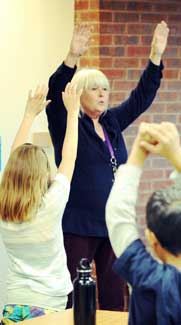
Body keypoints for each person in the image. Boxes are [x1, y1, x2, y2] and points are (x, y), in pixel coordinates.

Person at [45, 21, 169, 310]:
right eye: (94, 89)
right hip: (78, 225)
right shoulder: (68, 124)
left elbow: (140, 99)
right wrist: (72, 57)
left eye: (105, 89)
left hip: (111, 223)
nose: (103, 94)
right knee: (76, 293)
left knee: (115, 294)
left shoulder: (111, 122)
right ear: (78, 93)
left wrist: (155, 57)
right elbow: (54, 92)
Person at [105, 122, 181, 325]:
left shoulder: (148, 277)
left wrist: (138, 154)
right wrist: (176, 155)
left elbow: (117, 216)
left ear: (152, 238)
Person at [0, 84, 80, 323]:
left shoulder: (3, 207)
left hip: (13, 304)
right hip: (51, 304)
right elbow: (69, 157)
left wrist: (28, 115)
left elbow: (14, 166)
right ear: (42, 174)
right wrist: (73, 113)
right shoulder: (50, 204)